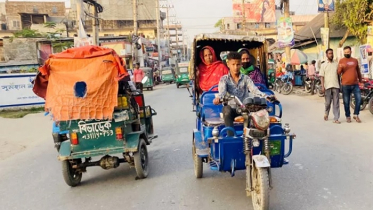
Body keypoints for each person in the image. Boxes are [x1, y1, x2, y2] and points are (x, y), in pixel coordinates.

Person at [213, 52, 270, 136]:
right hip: (232, 109)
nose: (236, 67)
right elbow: (222, 92)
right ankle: (231, 136)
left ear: (241, 64)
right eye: (233, 64)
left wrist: (267, 96)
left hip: (245, 108)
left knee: (260, 111)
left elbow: (254, 90)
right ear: (228, 64)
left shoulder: (246, 78)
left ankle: (255, 136)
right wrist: (219, 98)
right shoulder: (224, 79)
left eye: (238, 64)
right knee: (226, 110)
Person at [337, 46, 363, 123]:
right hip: (345, 84)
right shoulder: (341, 61)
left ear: (351, 52)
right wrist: (341, 68)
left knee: (359, 99)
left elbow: (358, 71)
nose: (346, 53)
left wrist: (360, 80)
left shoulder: (355, 60)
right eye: (345, 52)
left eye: (348, 52)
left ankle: (356, 114)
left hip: (355, 84)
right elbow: (338, 73)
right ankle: (348, 116)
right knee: (346, 101)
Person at [320, 49, 341, 124]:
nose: (331, 55)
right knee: (328, 102)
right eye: (329, 53)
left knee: (336, 103)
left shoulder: (336, 64)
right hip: (327, 86)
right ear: (326, 55)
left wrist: (340, 85)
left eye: (332, 53)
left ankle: (336, 118)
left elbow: (339, 76)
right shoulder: (323, 65)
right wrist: (322, 86)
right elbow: (322, 76)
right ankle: (326, 113)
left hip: (335, 85)